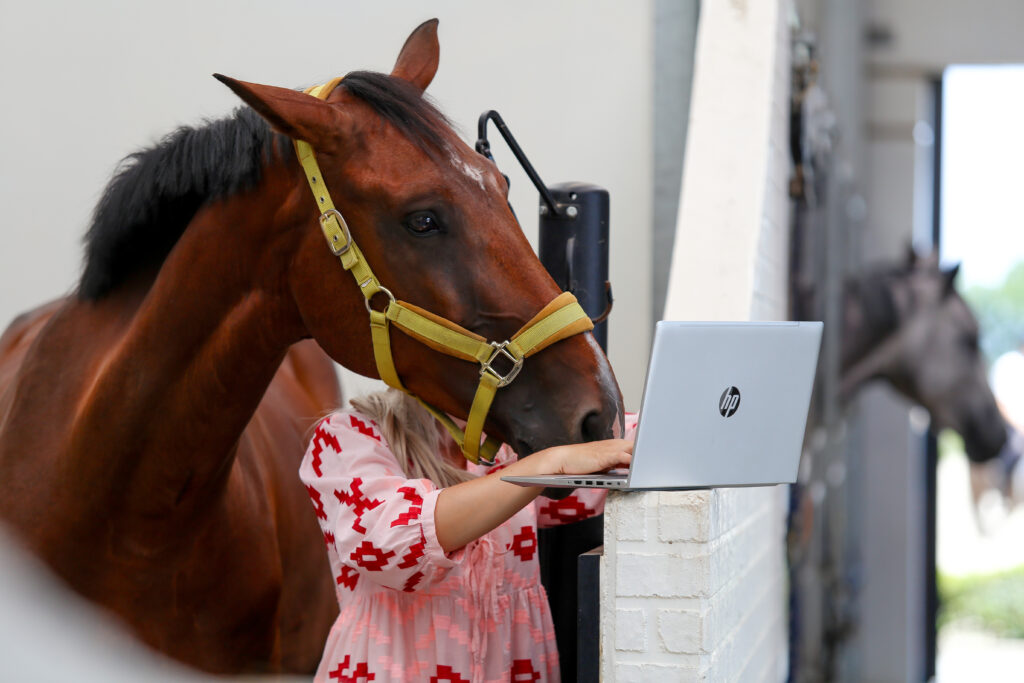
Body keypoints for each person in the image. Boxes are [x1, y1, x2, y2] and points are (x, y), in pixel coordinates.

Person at [299, 389, 635, 683]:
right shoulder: (348, 437)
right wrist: (544, 465)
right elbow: (390, 544)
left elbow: (617, 465)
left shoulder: (509, 445)